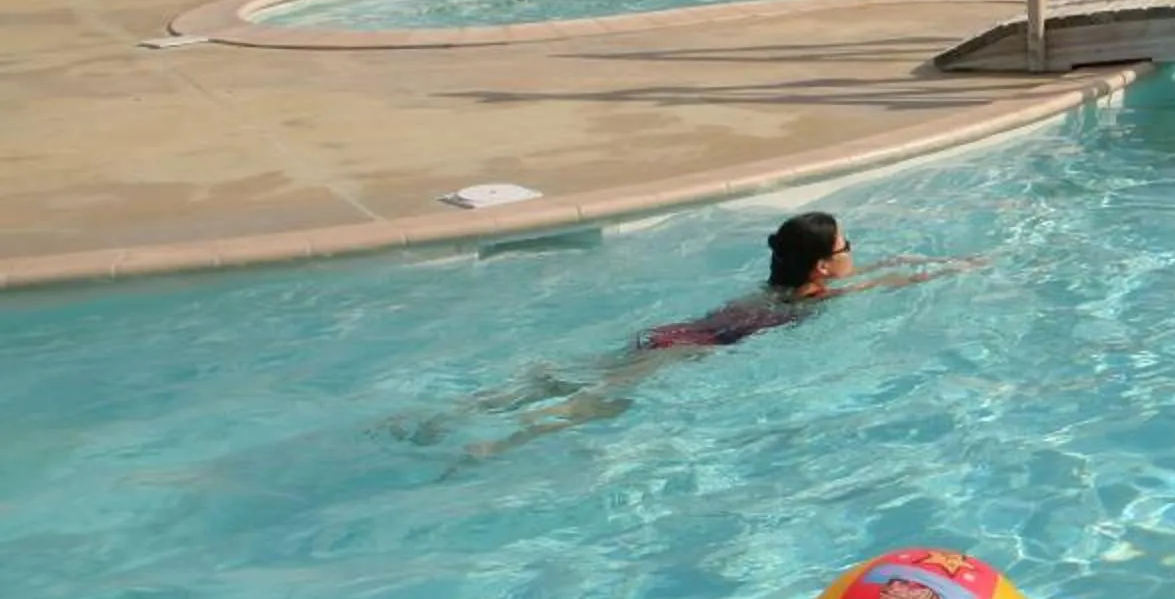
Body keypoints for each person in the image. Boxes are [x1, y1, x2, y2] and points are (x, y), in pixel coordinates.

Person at [403, 213, 977, 458]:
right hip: (690, 353)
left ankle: (453, 414)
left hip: (672, 334)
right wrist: (944, 269)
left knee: (562, 375)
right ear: (823, 268)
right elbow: (887, 284)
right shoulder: (818, 301)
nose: (856, 253)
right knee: (599, 402)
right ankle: (497, 443)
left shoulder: (776, 287)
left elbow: (877, 275)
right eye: (848, 247)